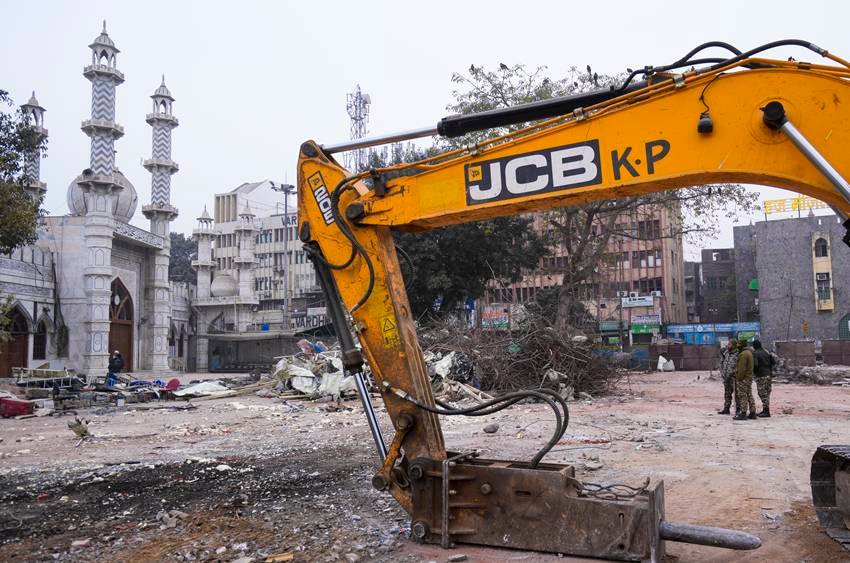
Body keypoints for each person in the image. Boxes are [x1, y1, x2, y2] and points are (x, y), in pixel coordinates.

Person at [733, 339, 758, 421]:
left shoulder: (743, 354)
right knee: (749, 394)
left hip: (743, 378)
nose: (737, 347)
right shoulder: (749, 352)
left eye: (738, 345)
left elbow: (742, 368)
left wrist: (738, 378)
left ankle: (743, 413)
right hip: (749, 377)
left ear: (741, 345)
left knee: (743, 395)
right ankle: (753, 412)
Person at [751, 339, 775, 418]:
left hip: (761, 375)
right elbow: (773, 362)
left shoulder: (755, 353)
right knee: (767, 393)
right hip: (769, 374)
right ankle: (766, 409)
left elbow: (755, 365)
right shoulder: (766, 351)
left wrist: (754, 373)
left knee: (762, 393)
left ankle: (766, 411)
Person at [717, 339, 739, 415]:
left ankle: (738, 409)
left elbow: (739, 366)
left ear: (734, 345)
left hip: (734, 378)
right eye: (728, 344)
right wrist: (722, 372)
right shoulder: (726, 353)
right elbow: (722, 363)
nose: (728, 345)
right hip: (726, 377)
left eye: (730, 344)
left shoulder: (738, 353)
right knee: (727, 394)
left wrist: (734, 373)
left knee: (737, 395)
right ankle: (726, 408)